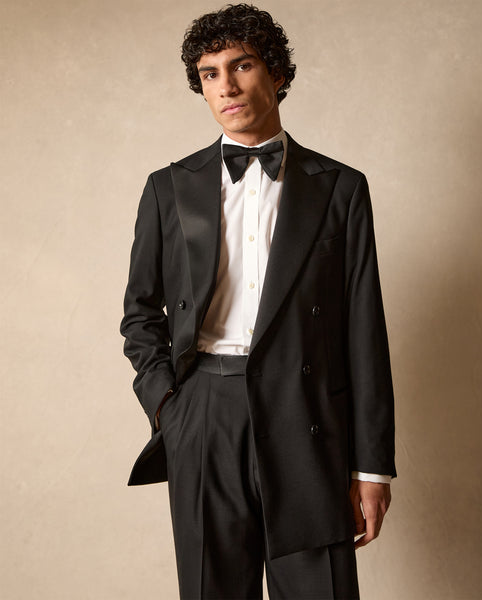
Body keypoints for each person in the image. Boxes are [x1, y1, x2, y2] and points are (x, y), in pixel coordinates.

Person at [120, 4, 396, 599]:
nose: (226, 85)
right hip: (204, 414)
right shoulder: (167, 188)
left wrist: (372, 466)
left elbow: (363, 331)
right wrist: (170, 408)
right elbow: (140, 314)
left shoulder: (341, 188)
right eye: (210, 73)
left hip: (307, 414)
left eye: (241, 66)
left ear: (276, 72)